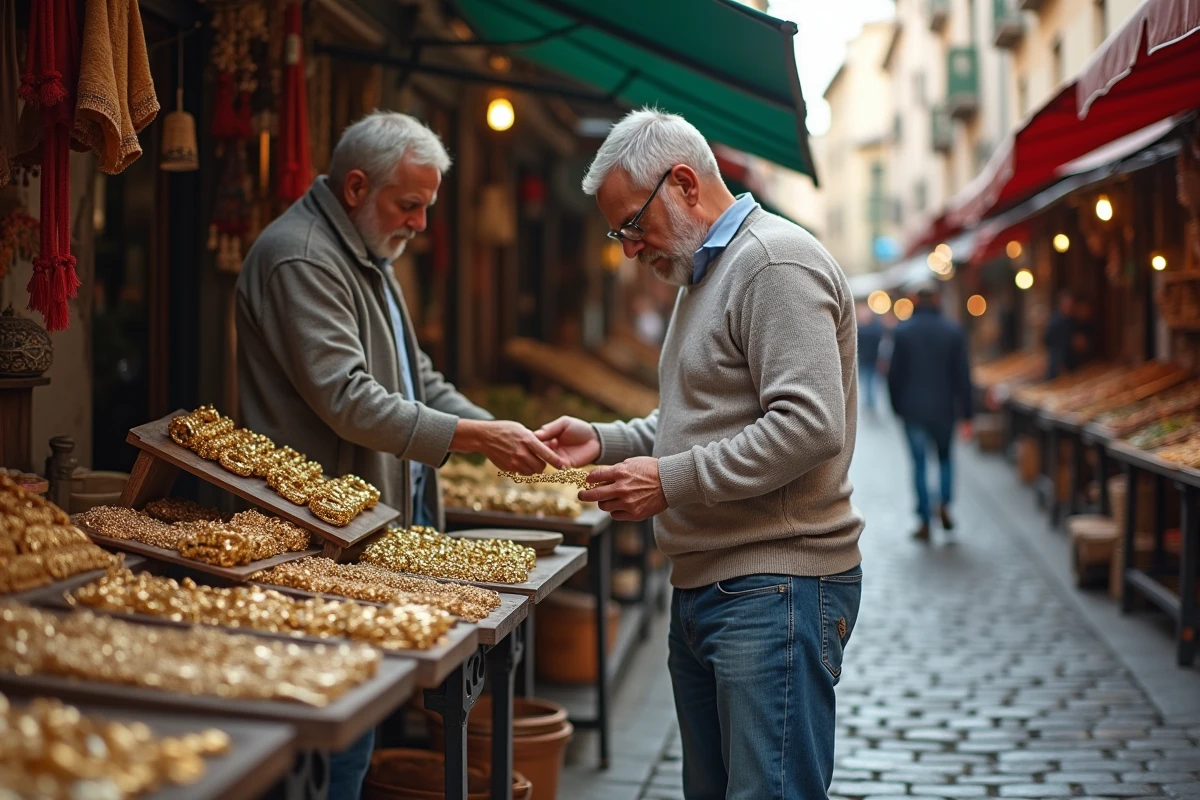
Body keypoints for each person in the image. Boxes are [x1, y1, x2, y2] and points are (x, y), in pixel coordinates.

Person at [536, 109, 864, 800]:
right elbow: (696, 421)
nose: (630, 248)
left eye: (633, 224)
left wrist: (669, 481)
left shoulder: (773, 262)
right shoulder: (705, 275)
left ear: (684, 183)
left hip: (773, 586)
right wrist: (606, 439)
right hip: (716, 587)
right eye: (618, 233)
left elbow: (809, 425)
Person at [235, 111, 561, 800]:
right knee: (335, 735)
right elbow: (347, 398)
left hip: (364, 532)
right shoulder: (302, 257)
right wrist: (479, 439)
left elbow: (418, 378)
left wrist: (500, 432)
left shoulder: (368, 254)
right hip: (318, 538)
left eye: (426, 206)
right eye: (409, 204)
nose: (420, 223)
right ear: (356, 187)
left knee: (360, 725)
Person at [886, 287, 974, 541]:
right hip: (944, 409)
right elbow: (963, 376)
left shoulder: (903, 332)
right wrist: (967, 414)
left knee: (919, 464)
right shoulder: (953, 331)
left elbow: (893, 375)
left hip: (912, 410)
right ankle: (944, 502)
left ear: (915, 301)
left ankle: (924, 518)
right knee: (945, 458)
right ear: (937, 300)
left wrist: (896, 407)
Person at [856, 303, 885, 413]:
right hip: (865, 359)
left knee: (870, 382)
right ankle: (869, 403)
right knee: (868, 381)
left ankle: (870, 403)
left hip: (872, 359)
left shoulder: (871, 327)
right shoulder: (870, 327)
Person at [1044, 290, 1076, 379]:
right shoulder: (1056, 322)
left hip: (1071, 367)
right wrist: (1060, 366)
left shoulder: (1071, 321)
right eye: (1067, 303)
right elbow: (1053, 345)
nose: (1069, 306)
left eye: (1070, 304)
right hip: (1058, 368)